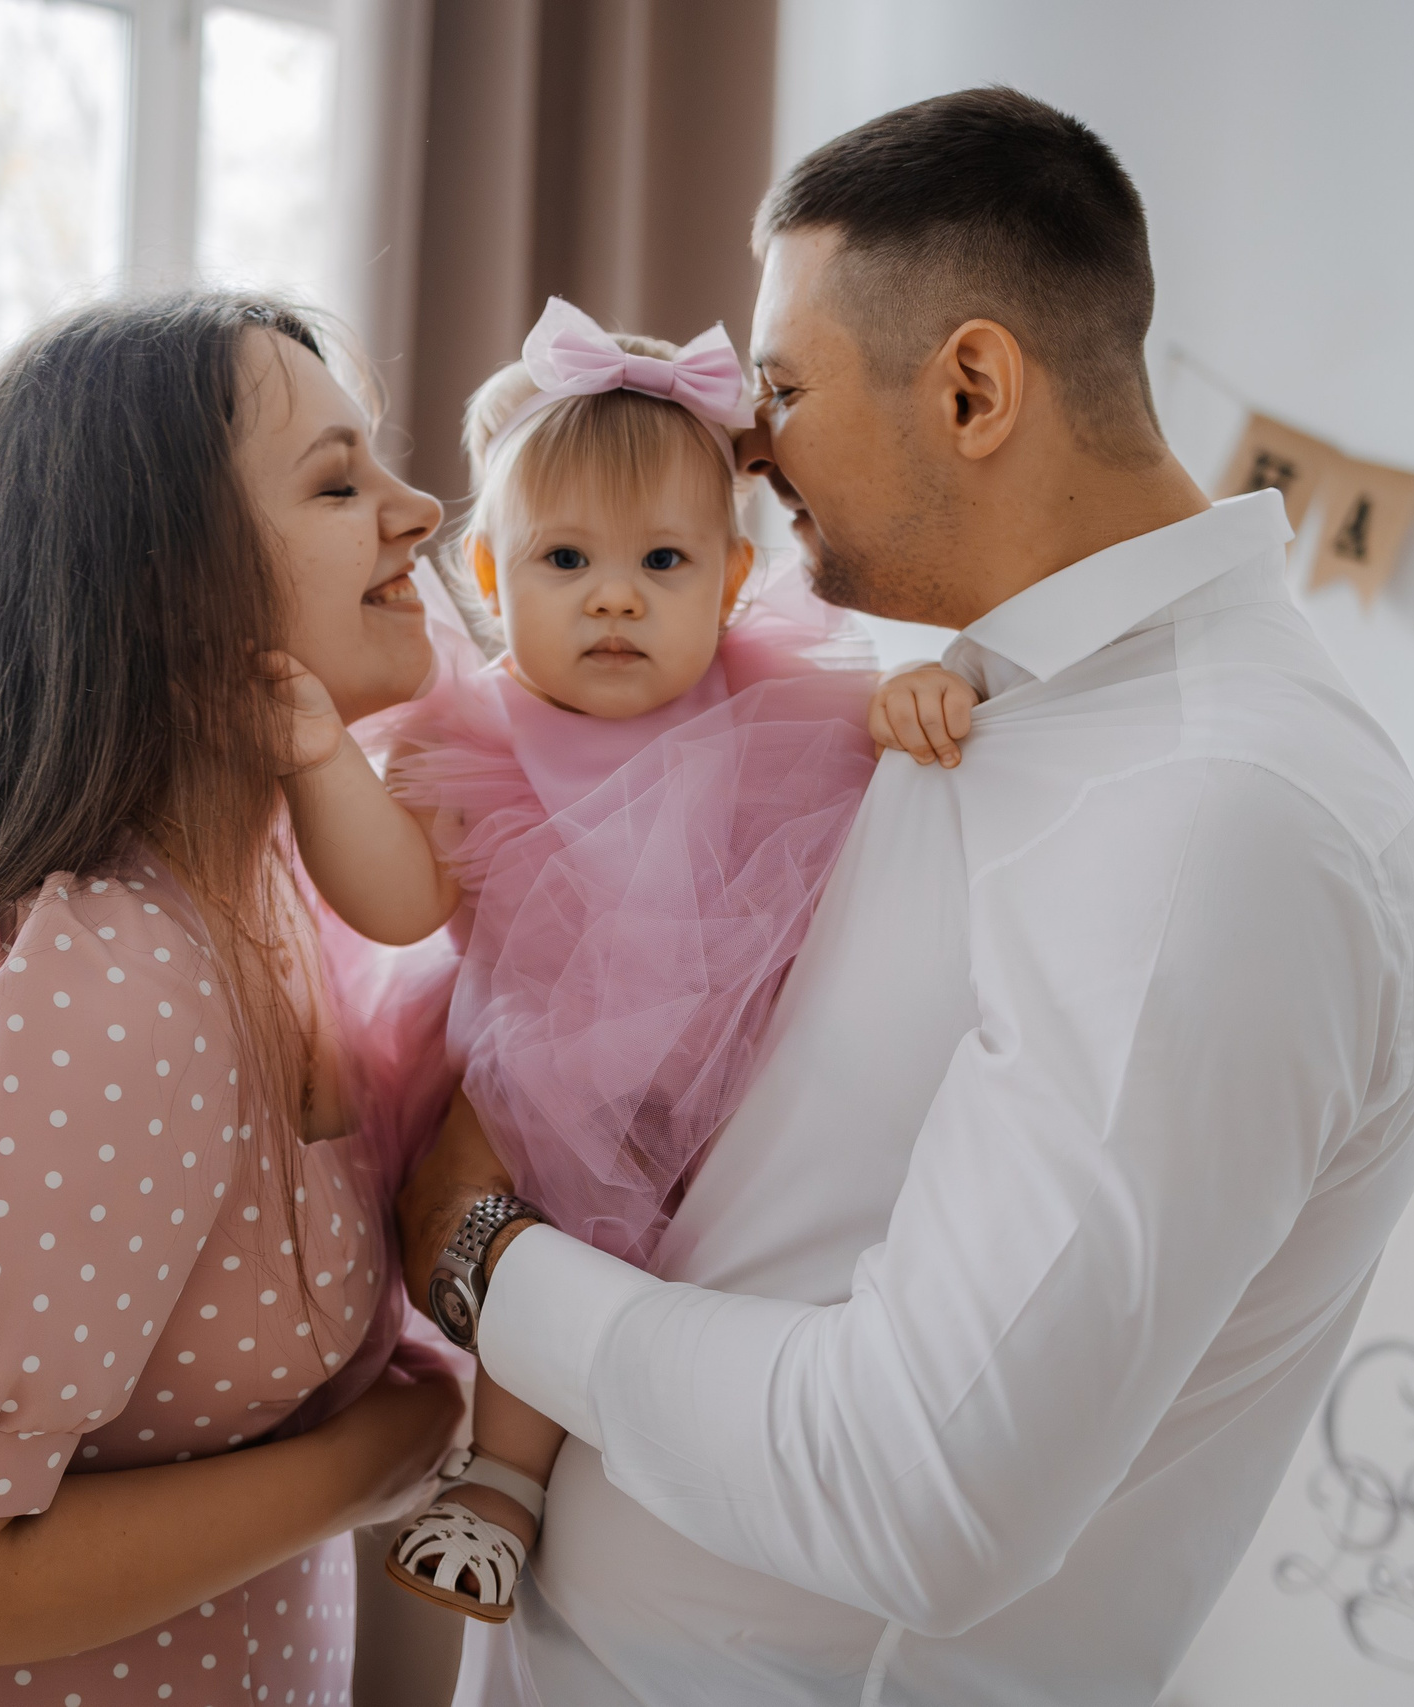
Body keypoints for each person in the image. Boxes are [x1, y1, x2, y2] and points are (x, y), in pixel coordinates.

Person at [398, 87, 1414, 1706]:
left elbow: (921, 1495)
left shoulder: (1214, 821)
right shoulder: (991, 707)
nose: (745, 441)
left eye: (787, 385)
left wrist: (483, 1256)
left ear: (970, 387)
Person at [0, 294, 467, 1707]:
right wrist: (380, 1454)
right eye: (337, 480)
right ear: (167, 591)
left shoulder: (281, 910)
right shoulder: (109, 993)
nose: (420, 509)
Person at [271, 296, 978, 1623]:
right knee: (529, 1202)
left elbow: (878, 758)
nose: (614, 597)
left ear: (728, 583)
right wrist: (320, 760)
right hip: (541, 1068)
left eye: (662, 563)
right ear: (489, 580)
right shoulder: (469, 734)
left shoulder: (781, 700)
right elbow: (401, 902)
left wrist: (912, 698)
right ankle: (502, 1487)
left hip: (756, 1084)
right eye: (564, 563)